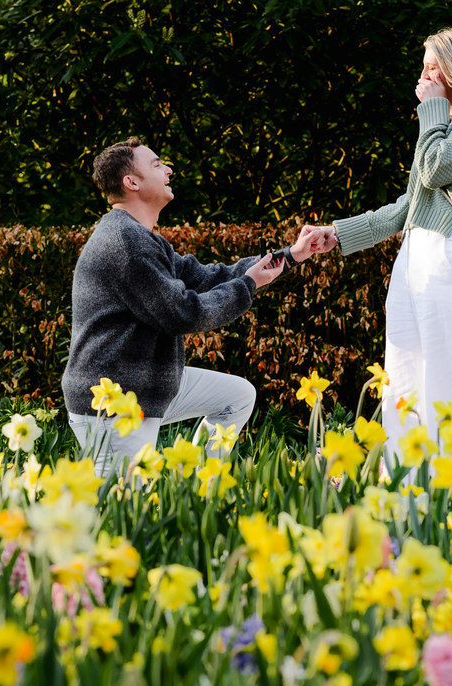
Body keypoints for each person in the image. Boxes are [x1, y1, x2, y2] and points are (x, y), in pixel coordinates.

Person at [305, 27, 452, 504]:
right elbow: (410, 203)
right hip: (414, 258)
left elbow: (434, 170)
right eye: (422, 66)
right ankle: (412, 503)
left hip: (449, 256)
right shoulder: (444, 124)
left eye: (433, 65)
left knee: (451, 386)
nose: (424, 75)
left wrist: (430, 114)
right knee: (404, 388)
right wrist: (338, 234)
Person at [62, 137, 319, 476]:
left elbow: (204, 277)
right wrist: (250, 284)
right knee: (126, 518)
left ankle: (195, 483)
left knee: (236, 397)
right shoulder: (126, 243)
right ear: (132, 182)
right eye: (156, 164)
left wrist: (291, 255)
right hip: (114, 401)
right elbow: (183, 313)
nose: (168, 169)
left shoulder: (141, 237)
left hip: (149, 383)